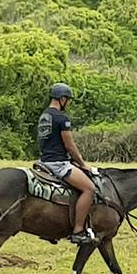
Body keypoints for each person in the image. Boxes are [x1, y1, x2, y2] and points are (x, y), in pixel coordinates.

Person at [37, 83, 97, 245]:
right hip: (58, 163)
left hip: (43, 162)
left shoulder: (44, 116)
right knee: (89, 189)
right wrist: (83, 164)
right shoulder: (61, 118)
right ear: (62, 99)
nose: (68, 103)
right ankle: (78, 230)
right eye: (68, 100)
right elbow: (70, 146)